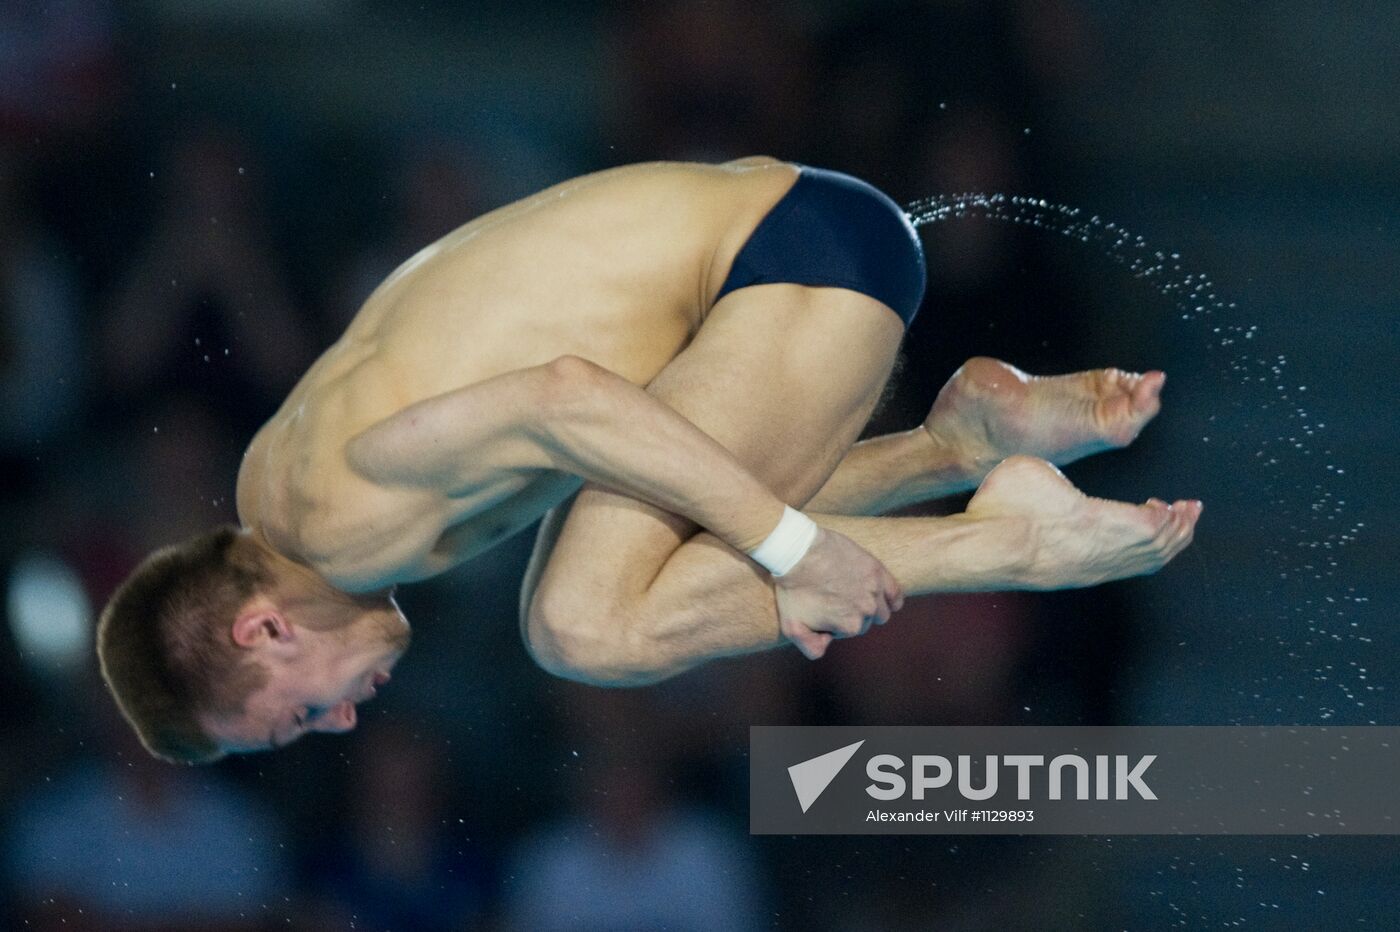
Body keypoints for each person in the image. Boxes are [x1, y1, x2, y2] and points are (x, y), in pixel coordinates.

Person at [97, 157, 1201, 763]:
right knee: (590, 591)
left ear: (263, 627)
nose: (343, 721)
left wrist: (795, 550)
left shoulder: (333, 516)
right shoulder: (281, 500)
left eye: (297, 713)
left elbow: (565, 394)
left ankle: (1003, 538)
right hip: (794, 247)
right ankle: (957, 441)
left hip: (788, 264)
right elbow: (644, 466)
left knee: (579, 625)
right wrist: (786, 544)